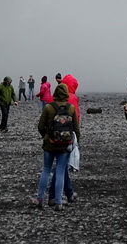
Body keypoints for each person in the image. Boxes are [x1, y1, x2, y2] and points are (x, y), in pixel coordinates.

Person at [32, 82, 80, 210]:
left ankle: (39, 199)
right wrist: (76, 143)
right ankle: (58, 202)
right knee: (60, 172)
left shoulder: (48, 107)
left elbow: (40, 126)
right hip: (64, 145)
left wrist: (46, 137)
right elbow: (75, 128)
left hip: (49, 144)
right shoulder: (70, 108)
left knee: (46, 170)